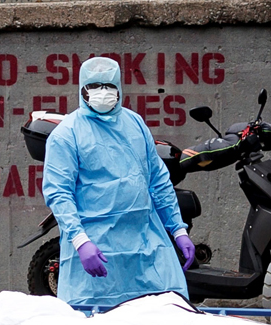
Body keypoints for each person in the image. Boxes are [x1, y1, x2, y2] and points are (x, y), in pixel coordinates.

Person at [41, 56, 196, 307]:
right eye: (94, 87)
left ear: (119, 89)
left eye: (109, 86)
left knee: (165, 312)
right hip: (96, 247)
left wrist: (177, 229)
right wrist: (80, 241)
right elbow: (59, 193)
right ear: (82, 90)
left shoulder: (135, 124)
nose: (103, 93)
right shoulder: (67, 135)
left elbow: (158, 181)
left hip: (145, 245)